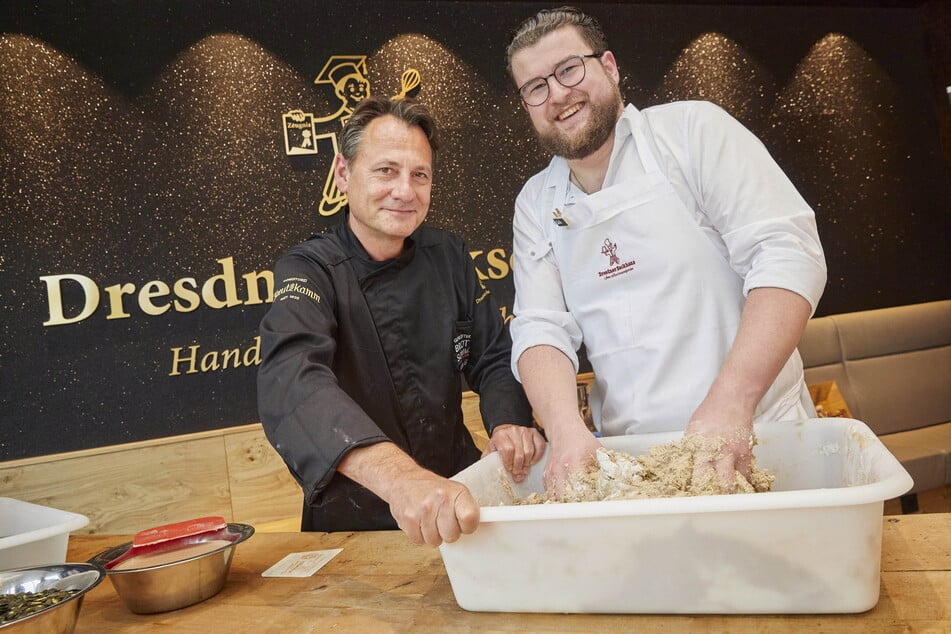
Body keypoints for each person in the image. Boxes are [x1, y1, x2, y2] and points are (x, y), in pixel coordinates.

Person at [505, 7, 827, 496]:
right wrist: (566, 431)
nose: (558, 95)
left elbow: (786, 251)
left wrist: (732, 405)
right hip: (635, 468)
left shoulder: (693, 133)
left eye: (570, 69)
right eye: (536, 87)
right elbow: (540, 328)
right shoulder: (536, 203)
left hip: (760, 439)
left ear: (609, 67)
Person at [257, 96, 544, 545]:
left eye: (420, 175)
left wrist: (508, 421)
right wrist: (400, 480)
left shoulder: (449, 257)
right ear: (343, 174)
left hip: (459, 497)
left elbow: (492, 356)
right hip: (358, 518)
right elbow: (294, 380)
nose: (405, 191)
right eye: (386, 171)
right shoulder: (309, 270)